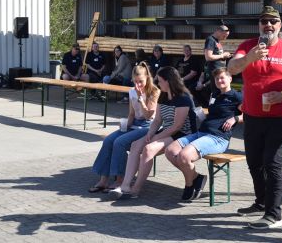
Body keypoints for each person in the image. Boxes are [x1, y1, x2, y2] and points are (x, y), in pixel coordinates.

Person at [228, 5, 282, 230]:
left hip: (279, 117)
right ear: (259, 25)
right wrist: (250, 58)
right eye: (264, 21)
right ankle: (261, 202)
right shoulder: (247, 46)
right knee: (254, 162)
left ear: (280, 25)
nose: (269, 25)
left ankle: (274, 214)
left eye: (273, 21)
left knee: (272, 163)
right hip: (252, 116)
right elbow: (231, 68)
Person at [112, 66, 196, 200]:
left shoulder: (183, 98)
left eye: (160, 81)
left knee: (148, 149)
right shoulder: (163, 95)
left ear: (168, 81)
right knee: (135, 145)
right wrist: (151, 133)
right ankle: (125, 185)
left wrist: (156, 137)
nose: (158, 83)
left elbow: (177, 126)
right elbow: (157, 120)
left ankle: (136, 189)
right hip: (166, 131)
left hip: (183, 134)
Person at [165, 67, 243, 201]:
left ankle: (189, 185)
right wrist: (201, 115)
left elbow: (249, 114)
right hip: (202, 132)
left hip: (218, 138)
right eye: (217, 79)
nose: (219, 81)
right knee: (170, 151)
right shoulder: (215, 94)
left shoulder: (237, 97)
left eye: (222, 78)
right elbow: (215, 115)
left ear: (230, 79)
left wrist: (235, 118)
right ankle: (197, 178)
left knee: (184, 156)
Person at [89, 62, 160, 192]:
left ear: (147, 78)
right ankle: (103, 180)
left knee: (119, 142)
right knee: (109, 140)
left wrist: (141, 100)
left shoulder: (153, 91)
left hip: (148, 126)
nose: (138, 85)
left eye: (141, 81)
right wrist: (125, 125)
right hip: (135, 124)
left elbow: (148, 116)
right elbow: (132, 114)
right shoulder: (132, 91)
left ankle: (120, 180)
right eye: (135, 82)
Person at [204, 25, 231, 92]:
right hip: (215, 71)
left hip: (220, 70)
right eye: (224, 36)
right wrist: (223, 55)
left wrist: (225, 56)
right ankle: (213, 99)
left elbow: (217, 54)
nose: (225, 38)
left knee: (221, 91)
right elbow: (208, 57)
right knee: (216, 91)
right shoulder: (210, 40)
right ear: (219, 32)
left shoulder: (217, 41)